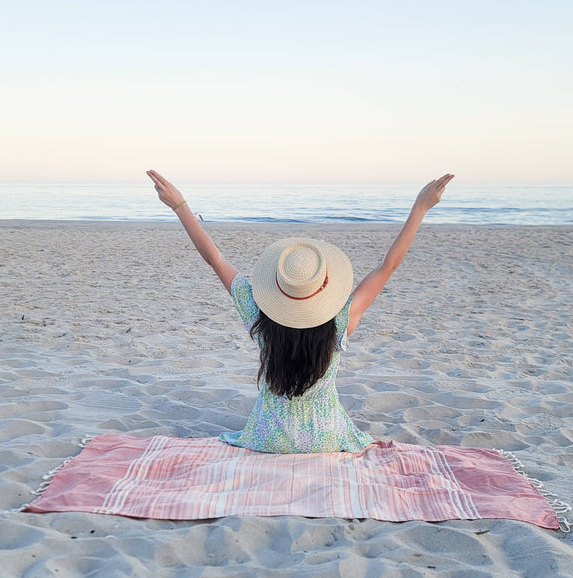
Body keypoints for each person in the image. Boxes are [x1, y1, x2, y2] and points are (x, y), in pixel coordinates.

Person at [146, 170, 454, 454]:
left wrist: (179, 206)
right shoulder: (340, 320)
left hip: (268, 437)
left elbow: (215, 259)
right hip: (327, 438)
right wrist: (421, 207)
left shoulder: (259, 316)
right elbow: (388, 265)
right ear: (324, 287)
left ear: (279, 288)